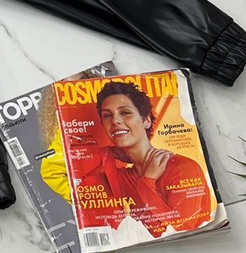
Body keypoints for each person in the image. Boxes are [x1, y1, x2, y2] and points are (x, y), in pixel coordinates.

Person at [79, 81, 213, 237]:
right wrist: (109, 153)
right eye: (107, 115)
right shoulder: (122, 178)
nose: (115, 120)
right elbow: (76, 178)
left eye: (125, 112)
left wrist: (147, 183)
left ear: (146, 120)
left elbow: (182, 229)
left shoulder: (183, 168)